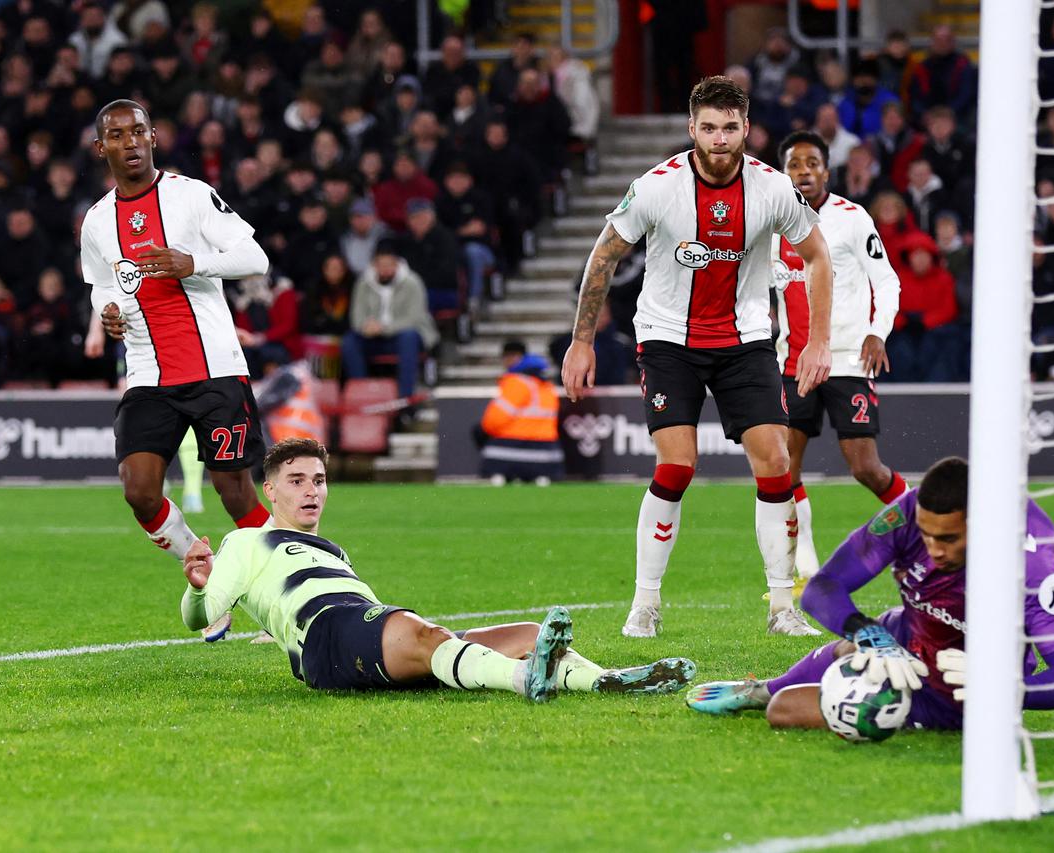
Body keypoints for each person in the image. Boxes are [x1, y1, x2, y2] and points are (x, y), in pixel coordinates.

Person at [560, 76, 834, 638]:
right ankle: (645, 604)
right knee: (677, 465)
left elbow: (818, 256)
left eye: (730, 128)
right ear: (692, 129)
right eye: (708, 128)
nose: (719, 139)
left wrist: (819, 340)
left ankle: (783, 608)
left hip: (744, 339)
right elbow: (604, 255)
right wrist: (582, 340)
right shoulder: (657, 187)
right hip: (668, 339)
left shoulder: (772, 189)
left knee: (776, 461)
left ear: (746, 129)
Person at [182, 438, 696, 699]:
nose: (311, 490)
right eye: (296, 481)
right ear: (270, 490)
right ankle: (525, 680)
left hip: (364, 630)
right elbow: (203, 613)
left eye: (318, 479)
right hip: (327, 637)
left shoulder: (334, 551)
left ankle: (606, 681)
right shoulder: (247, 541)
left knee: (527, 633)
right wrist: (198, 589)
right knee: (421, 633)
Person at [686, 457, 1054, 731]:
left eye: (948, 539)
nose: (933, 549)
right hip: (907, 638)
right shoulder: (907, 514)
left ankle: (796, 696)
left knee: (786, 711)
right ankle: (763, 687)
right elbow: (823, 588)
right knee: (849, 647)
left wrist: (1002, 687)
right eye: (926, 535)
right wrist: (870, 636)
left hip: (959, 690)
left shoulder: (1031, 568)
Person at [80, 99, 272, 563]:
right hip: (148, 373)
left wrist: (194, 263)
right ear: (100, 147)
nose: (130, 142)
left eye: (138, 131)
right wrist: (107, 309)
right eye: (117, 135)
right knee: (140, 491)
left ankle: (294, 578)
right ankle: (202, 565)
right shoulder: (97, 220)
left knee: (234, 492)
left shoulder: (191, 195)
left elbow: (256, 259)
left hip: (214, 367)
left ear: (153, 137)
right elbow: (101, 283)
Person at [773, 131, 906, 585]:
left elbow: (886, 281)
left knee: (865, 468)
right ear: (783, 174)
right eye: (794, 164)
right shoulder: (773, 224)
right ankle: (804, 567)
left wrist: (877, 332)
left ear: (827, 171)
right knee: (784, 467)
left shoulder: (852, 218)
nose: (804, 171)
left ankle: (924, 526)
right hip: (793, 364)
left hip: (848, 359)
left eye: (812, 163)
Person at [340, 240, 440, 400]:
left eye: (389, 265)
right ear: (374, 265)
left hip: (403, 336)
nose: (385, 269)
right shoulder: (363, 283)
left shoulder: (412, 282)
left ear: (397, 264)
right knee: (349, 341)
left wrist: (384, 328)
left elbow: (414, 318)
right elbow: (357, 316)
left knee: (408, 336)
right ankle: (361, 394)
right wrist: (366, 326)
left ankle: (405, 397)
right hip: (373, 336)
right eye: (381, 265)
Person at [477, 341, 563, 486]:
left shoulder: (516, 382)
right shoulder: (546, 385)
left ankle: (500, 473)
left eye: (510, 356)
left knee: (479, 431)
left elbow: (494, 420)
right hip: (547, 452)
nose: (507, 361)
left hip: (511, 447)